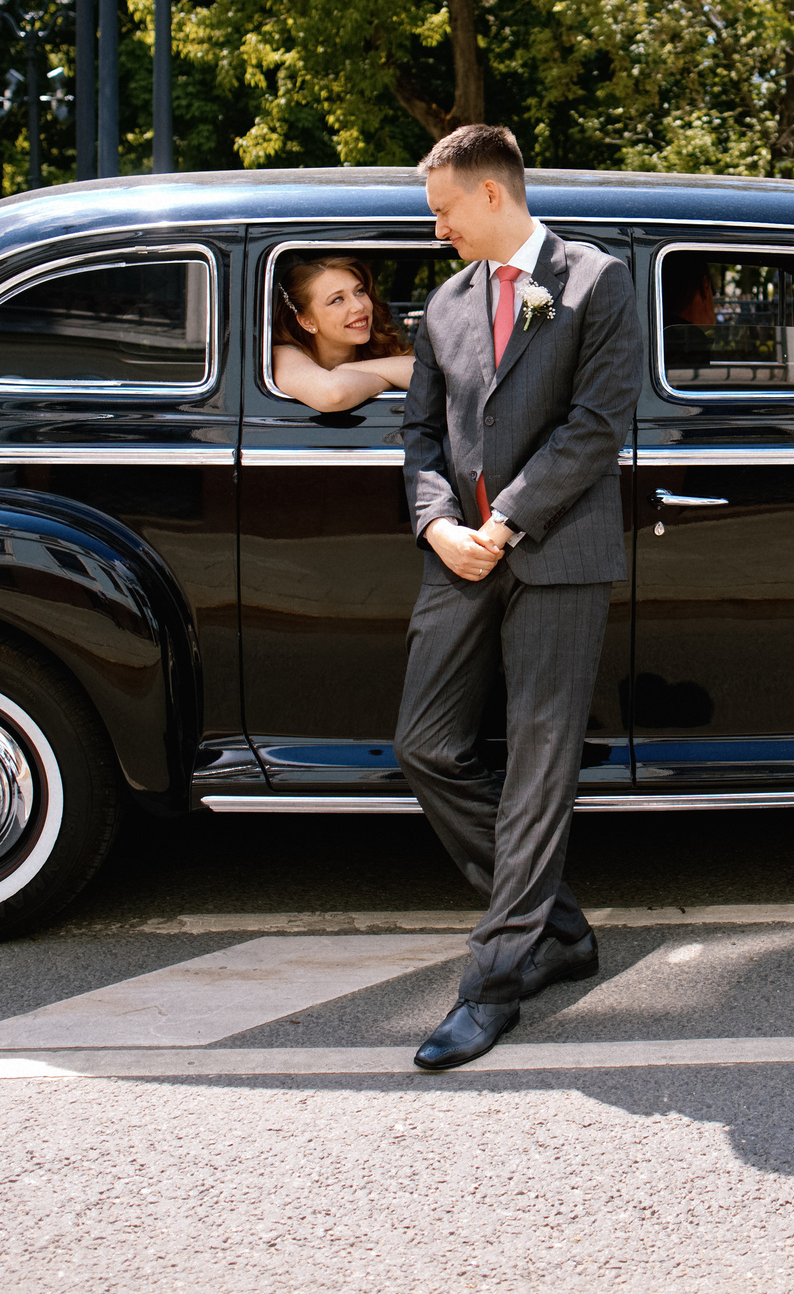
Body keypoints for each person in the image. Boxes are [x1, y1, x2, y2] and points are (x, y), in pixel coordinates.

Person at [393, 123, 644, 1072]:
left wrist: (509, 522)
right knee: (425, 744)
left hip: (555, 556)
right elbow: (419, 434)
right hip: (457, 556)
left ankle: (495, 979)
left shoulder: (594, 281)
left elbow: (595, 426)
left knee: (540, 763)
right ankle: (562, 929)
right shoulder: (448, 301)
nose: (437, 230)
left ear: (491, 195)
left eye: (444, 211)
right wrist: (436, 525)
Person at [272, 254, 416, 412]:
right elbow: (334, 394)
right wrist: (391, 377)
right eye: (337, 300)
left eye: (359, 291)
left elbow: (424, 372)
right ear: (308, 321)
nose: (359, 306)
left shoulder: (381, 344)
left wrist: (347, 369)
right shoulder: (282, 355)